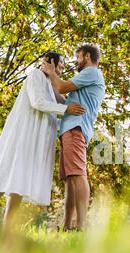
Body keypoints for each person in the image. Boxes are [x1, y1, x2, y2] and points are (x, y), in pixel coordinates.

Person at [0, 52, 85, 229]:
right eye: (60, 64)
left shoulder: (49, 84)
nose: (62, 69)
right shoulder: (35, 75)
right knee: (3, 178)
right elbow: (37, 102)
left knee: (18, 184)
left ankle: (8, 229)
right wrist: (66, 109)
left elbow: (52, 112)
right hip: (23, 136)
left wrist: (71, 118)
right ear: (50, 62)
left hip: (35, 141)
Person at [41, 44, 105, 231]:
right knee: (70, 179)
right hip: (69, 130)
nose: (76, 61)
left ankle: (82, 225)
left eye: (78, 57)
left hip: (75, 129)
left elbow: (61, 87)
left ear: (86, 56)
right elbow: (63, 100)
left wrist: (51, 72)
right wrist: (49, 82)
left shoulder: (92, 72)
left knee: (78, 175)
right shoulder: (86, 79)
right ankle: (67, 225)